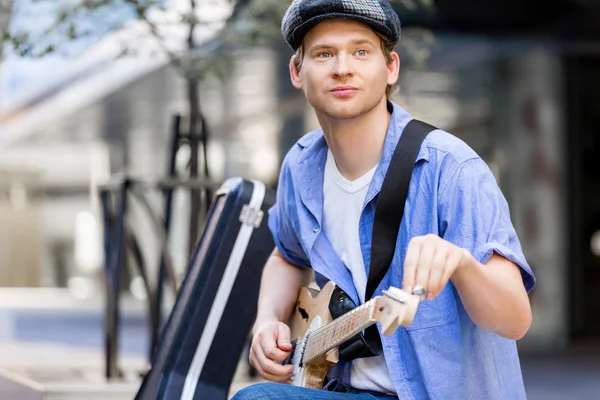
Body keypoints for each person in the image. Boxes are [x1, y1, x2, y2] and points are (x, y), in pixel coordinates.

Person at [233, 0, 535, 399]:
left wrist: (462, 264)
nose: (343, 67)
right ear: (296, 71)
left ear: (390, 67)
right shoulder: (301, 166)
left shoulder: (451, 168)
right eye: (324, 54)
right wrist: (268, 319)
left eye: (361, 51)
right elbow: (286, 256)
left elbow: (515, 319)